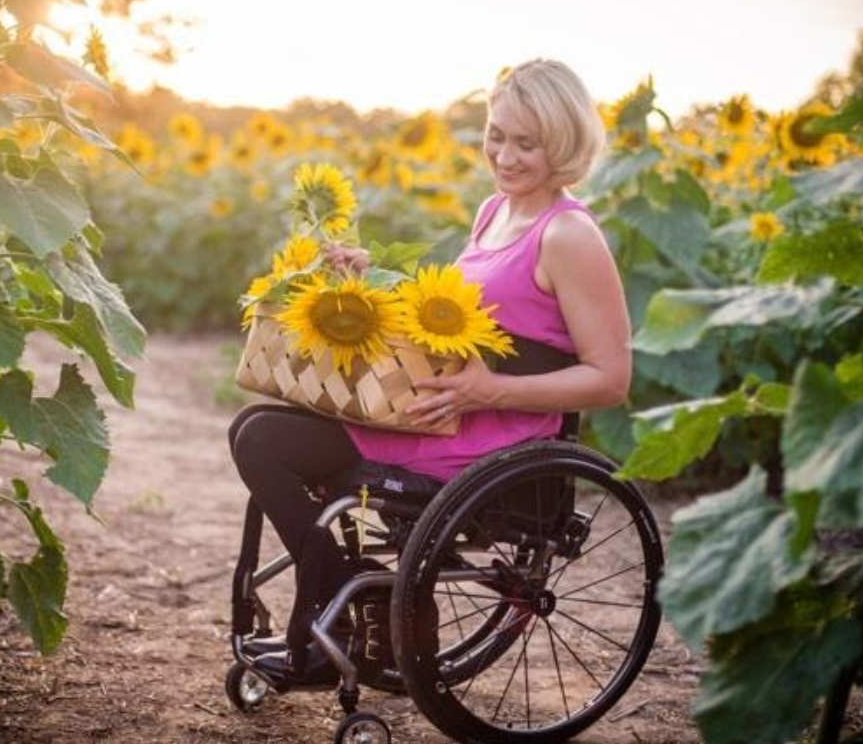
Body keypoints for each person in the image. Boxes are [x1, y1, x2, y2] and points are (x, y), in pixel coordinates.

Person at [228, 58, 632, 682]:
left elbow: (609, 378)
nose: (504, 155)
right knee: (254, 428)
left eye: (527, 143)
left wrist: (491, 390)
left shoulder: (569, 236)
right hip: (437, 413)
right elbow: (451, 320)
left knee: (264, 439)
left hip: (494, 439)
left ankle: (359, 611)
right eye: (496, 135)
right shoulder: (494, 211)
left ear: (564, 143)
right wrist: (372, 282)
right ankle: (365, 606)